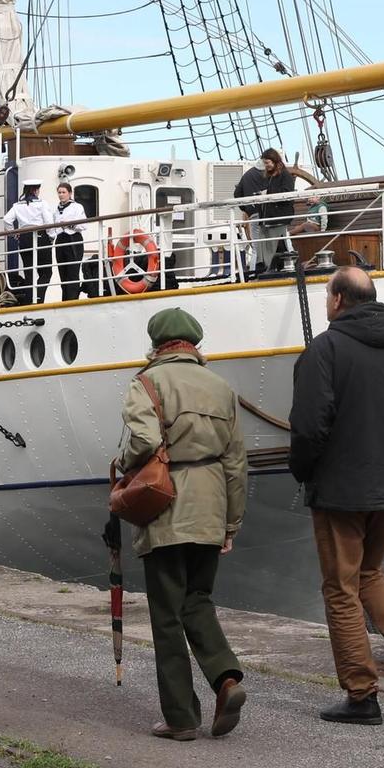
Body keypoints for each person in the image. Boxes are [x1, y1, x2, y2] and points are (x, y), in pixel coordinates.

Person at [287, 266, 384, 725]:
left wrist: (307, 472)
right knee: (370, 573)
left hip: (340, 491)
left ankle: (361, 694)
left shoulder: (325, 350)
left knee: (339, 588)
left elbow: (310, 427)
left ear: (337, 300)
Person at [113, 308, 249, 741]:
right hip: (211, 505)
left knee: (167, 613)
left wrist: (123, 466)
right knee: (197, 599)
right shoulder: (222, 388)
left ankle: (180, 718)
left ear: (157, 345)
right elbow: (236, 464)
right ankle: (226, 679)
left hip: (166, 505)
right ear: (194, 344)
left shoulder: (147, 383)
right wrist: (231, 524)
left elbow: (146, 440)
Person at [233, 148, 297, 276]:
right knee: (277, 244)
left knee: (259, 247)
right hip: (267, 216)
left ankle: (255, 273)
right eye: (265, 163)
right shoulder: (269, 175)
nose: (266, 166)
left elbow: (237, 194)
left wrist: (248, 210)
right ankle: (274, 270)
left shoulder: (249, 175)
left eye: (268, 163)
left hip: (263, 216)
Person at [0, 182, 53, 303]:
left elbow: (7, 219)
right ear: (36, 190)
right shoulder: (42, 204)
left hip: (24, 238)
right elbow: (49, 222)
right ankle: (38, 297)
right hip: (40, 236)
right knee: (46, 272)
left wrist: (14, 234)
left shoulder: (18, 205)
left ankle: (30, 299)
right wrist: (52, 237)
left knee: (29, 272)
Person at [51, 182, 88, 301]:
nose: (61, 195)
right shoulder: (56, 209)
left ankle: (72, 299)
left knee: (73, 272)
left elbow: (83, 224)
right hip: (60, 240)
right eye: (59, 192)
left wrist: (69, 224)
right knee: (63, 272)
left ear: (70, 193)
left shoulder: (77, 207)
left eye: (63, 192)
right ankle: (65, 300)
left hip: (73, 239)